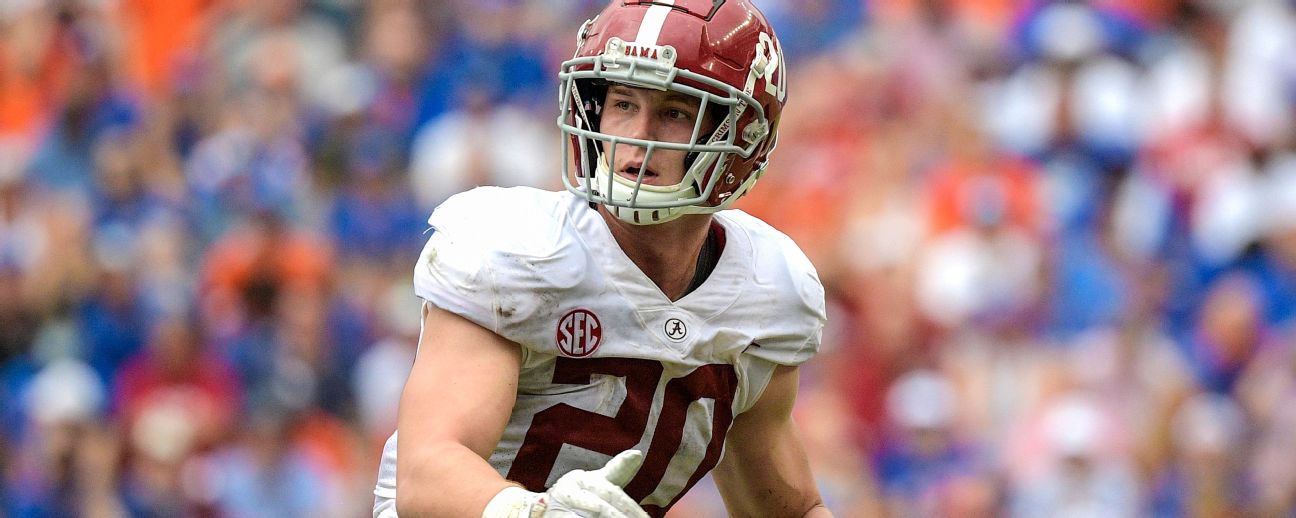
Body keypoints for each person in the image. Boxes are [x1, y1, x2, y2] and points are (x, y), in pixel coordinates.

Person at [373, 1, 830, 516]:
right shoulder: (518, 251)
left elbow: (789, 509)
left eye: (676, 112)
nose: (635, 137)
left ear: (742, 135)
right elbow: (427, 474)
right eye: (624, 104)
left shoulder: (765, 288)